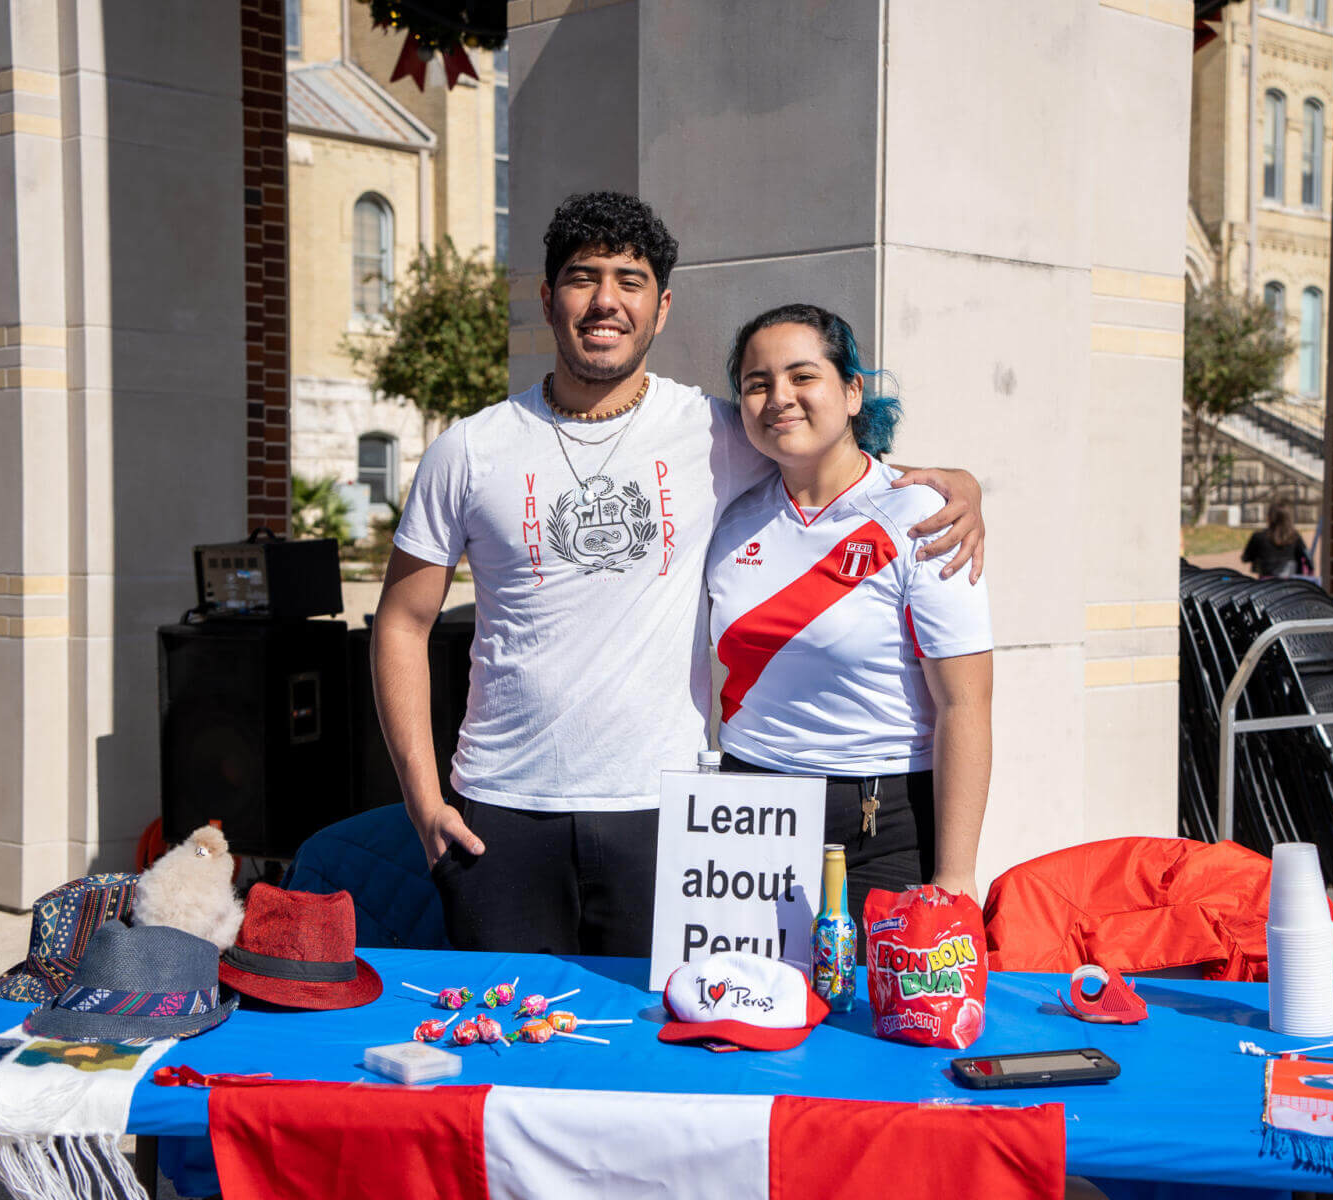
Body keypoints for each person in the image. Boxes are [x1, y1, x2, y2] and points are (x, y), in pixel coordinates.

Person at [373, 192, 988, 956]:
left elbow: (824, 447)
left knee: (658, 1053)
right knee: (505, 1038)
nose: (605, 301)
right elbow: (401, 622)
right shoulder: (467, 450)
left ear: (660, 307)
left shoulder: (716, 430)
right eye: (582, 277)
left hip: (670, 813)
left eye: (629, 280)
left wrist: (955, 484)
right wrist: (421, 799)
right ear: (547, 297)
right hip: (499, 809)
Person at [706, 304, 993, 941]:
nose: (780, 397)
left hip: (879, 824)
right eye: (757, 383)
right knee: (739, 1021)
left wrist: (956, 878)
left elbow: (966, 706)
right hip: (748, 811)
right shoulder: (725, 517)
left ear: (853, 389)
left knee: (867, 1029)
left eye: (802, 376)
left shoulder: (923, 517)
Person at [1241, 499, 1314, 578]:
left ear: (1269, 517)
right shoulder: (1294, 537)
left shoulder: (1258, 537)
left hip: (1266, 584)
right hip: (1291, 584)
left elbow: (1245, 558)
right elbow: (1308, 559)